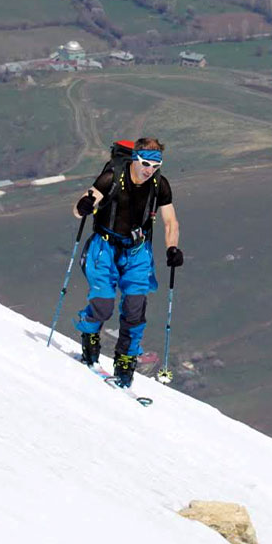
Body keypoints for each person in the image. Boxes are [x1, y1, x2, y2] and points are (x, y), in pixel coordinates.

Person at [72, 137, 182, 388]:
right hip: (104, 247)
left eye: (155, 166)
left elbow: (170, 221)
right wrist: (84, 204)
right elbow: (80, 208)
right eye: (145, 164)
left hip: (137, 251)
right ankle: (90, 335)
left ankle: (125, 361)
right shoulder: (111, 178)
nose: (149, 170)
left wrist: (172, 247)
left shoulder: (159, 184)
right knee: (103, 305)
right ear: (134, 158)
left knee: (135, 308)